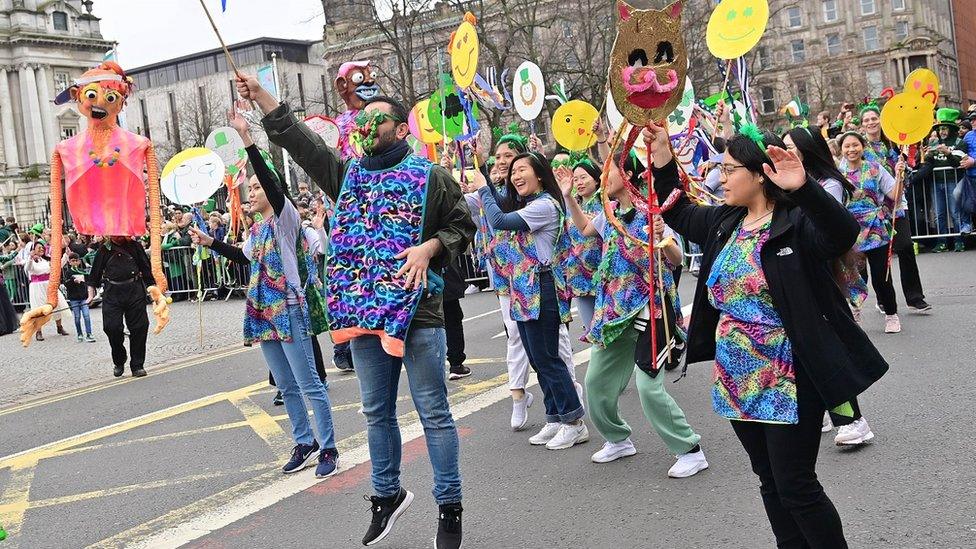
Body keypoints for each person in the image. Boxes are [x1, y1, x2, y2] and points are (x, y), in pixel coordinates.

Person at [239, 75, 474, 549]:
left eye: (377, 118)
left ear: (401, 129)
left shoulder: (431, 177)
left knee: (433, 412)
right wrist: (262, 99)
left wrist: (429, 247)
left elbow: (461, 226)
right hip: (364, 314)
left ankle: (449, 509)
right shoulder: (350, 176)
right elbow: (301, 145)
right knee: (375, 412)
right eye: (361, 120)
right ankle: (386, 495)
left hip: (418, 312)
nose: (366, 125)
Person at [647, 121, 888, 548]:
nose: (720, 178)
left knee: (796, 484)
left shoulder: (795, 221)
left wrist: (804, 188)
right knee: (769, 481)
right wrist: (663, 153)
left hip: (790, 375)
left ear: (759, 173)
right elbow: (677, 211)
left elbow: (841, 234)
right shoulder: (725, 221)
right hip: (737, 376)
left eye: (729, 169)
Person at [191, 101, 339, 479]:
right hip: (262, 313)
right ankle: (303, 442)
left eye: (256, 187)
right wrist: (209, 242)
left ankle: (329, 447)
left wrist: (245, 138)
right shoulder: (255, 231)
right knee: (286, 386)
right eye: (249, 188)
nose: (251, 193)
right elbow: (244, 258)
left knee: (310, 383)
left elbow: (273, 187)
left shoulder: (286, 220)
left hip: (289, 308)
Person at [561, 148, 707, 476]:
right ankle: (618, 439)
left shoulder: (653, 212)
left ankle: (690, 449)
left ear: (627, 175)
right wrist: (569, 198)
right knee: (596, 383)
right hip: (615, 313)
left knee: (648, 386)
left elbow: (676, 257)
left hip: (652, 312)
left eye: (607, 171)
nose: (601, 178)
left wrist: (663, 240)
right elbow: (585, 229)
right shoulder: (609, 212)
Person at [471, 151, 589, 450]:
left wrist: (483, 186)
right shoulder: (528, 205)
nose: (516, 176)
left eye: (522, 169)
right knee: (537, 358)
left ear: (539, 174)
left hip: (542, 285)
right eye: (513, 172)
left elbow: (498, 220)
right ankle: (554, 417)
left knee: (548, 357)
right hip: (522, 288)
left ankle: (574, 422)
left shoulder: (545, 206)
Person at [784, 126, 877, 445]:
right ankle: (829, 408)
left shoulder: (828, 184)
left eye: (790, 146)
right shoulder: (786, 183)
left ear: (807, 150)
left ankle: (853, 419)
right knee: (806, 348)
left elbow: (825, 221)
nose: (784, 151)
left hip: (825, 269)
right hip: (801, 271)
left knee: (828, 343)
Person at [857, 109, 933, 312]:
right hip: (874, 209)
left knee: (906, 246)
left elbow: (908, 170)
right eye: (867, 120)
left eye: (874, 118)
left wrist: (903, 169)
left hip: (897, 204)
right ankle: (883, 298)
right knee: (880, 257)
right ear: (862, 124)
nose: (871, 122)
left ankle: (915, 297)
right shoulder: (861, 147)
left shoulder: (893, 145)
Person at [838, 131, 904, 333]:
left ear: (862, 147)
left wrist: (900, 175)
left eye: (855, 145)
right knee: (854, 275)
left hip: (876, 229)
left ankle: (891, 315)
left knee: (881, 275)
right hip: (850, 231)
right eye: (847, 146)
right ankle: (854, 311)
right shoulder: (837, 174)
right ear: (841, 149)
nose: (851, 149)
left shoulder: (876, 169)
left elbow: (894, 194)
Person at [87, 236, 155, 377]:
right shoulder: (104, 249)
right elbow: (94, 274)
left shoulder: (135, 246)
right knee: (111, 328)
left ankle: (137, 365)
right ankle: (119, 359)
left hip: (134, 289)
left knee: (139, 327)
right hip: (112, 292)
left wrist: (153, 288)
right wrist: (90, 293)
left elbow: (145, 267)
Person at [556, 158, 603, 332]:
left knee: (607, 326)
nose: (579, 183)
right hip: (579, 275)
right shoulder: (570, 205)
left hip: (603, 272)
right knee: (591, 330)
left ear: (596, 179)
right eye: (575, 179)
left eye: (584, 177)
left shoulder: (607, 203)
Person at [925, 109, 969, 251]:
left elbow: (957, 163)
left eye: (945, 128)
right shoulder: (934, 143)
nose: (942, 131)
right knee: (939, 214)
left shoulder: (959, 143)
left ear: (951, 129)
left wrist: (948, 153)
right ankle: (941, 242)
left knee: (955, 212)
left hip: (953, 181)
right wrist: (927, 154)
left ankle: (959, 241)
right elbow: (928, 162)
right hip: (936, 182)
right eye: (940, 128)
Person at [24, 242, 70, 341]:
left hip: (49, 285)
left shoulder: (46, 260)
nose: (41, 249)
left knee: (56, 305)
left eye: (42, 247)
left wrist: (66, 255)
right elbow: (28, 268)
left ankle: (59, 327)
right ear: (33, 250)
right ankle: (38, 331)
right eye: (39, 248)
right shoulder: (31, 262)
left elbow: (57, 266)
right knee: (39, 308)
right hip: (37, 287)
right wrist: (30, 258)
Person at [63, 253, 95, 342]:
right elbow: (66, 284)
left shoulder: (82, 271)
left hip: (83, 297)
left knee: (86, 316)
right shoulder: (68, 272)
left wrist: (90, 295)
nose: (75, 262)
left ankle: (89, 333)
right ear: (69, 262)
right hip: (74, 298)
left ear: (79, 261)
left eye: (76, 260)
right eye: (72, 261)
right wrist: (73, 281)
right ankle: (79, 333)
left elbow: (88, 283)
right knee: (77, 317)